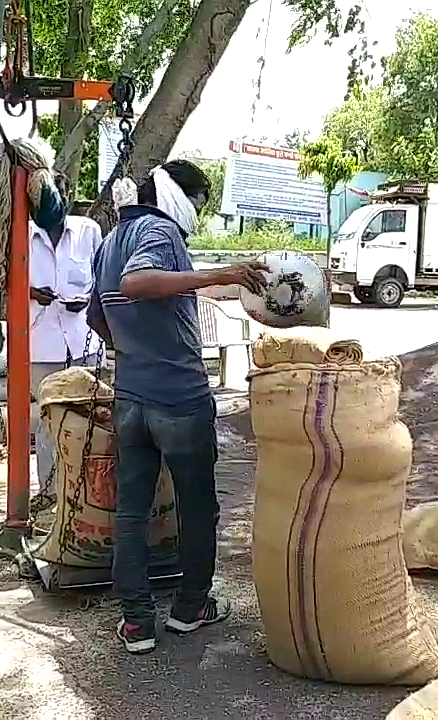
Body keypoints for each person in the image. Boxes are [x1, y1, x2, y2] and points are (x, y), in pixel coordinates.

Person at [87, 159, 268, 654]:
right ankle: (190, 607)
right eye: (199, 201)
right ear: (176, 195)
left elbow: (97, 316)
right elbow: (137, 283)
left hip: (131, 400)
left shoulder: (108, 241)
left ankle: (137, 623)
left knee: (131, 511)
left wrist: (134, 346)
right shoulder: (161, 232)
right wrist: (222, 273)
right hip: (180, 400)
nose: (198, 212)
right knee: (197, 506)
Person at [28, 172, 103, 512]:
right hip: (41, 344)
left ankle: (89, 491)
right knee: (49, 420)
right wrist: (30, 293)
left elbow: (102, 277)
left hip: (83, 340)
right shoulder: (23, 235)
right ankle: (50, 492)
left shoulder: (88, 231)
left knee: (92, 417)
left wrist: (86, 298)